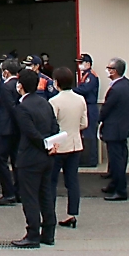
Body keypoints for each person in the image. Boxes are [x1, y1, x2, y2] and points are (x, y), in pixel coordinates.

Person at [11, 68, 60, 248]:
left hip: (30, 158)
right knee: (45, 194)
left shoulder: (22, 107)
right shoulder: (45, 103)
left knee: (30, 197)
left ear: (21, 85)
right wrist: (51, 144)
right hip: (47, 157)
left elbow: (30, 133)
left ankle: (32, 234)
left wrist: (44, 144)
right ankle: (49, 233)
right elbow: (55, 127)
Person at [48, 66, 87, 229]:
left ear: (56, 82)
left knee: (51, 181)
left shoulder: (54, 101)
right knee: (72, 181)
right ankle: (72, 214)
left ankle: (49, 214)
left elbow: (51, 125)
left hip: (58, 146)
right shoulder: (80, 99)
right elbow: (84, 123)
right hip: (75, 143)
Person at [99, 58, 129, 201]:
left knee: (116, 161)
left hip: (114, 127)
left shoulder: (116, 89)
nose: (107, 70)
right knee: (120, 157)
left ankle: (120, 190)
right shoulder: (127, 83)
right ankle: (114, 184)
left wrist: (99, 119)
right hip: (123, 126)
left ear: (114, 71)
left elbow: (106, 108)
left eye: (109, 68)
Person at [0, 58, 21, 206]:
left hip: (7, 128)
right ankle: (19, 191)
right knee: (16, 160)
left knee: (1, 160)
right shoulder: (19, 84)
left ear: (6, 72)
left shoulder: (5, 87)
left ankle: (8, 192)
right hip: (17, 129)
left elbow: (10, 108)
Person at [73, 54, 100, 168]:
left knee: (90, 134)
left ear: (88, 64)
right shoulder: (84, 75)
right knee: (85, 134)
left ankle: (91, 160)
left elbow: (85, 89)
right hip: (85, 106)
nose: (79, 65)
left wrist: (71, 90)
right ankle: (85, 158)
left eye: (81, 62)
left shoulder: (91, 76)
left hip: (90, 107)